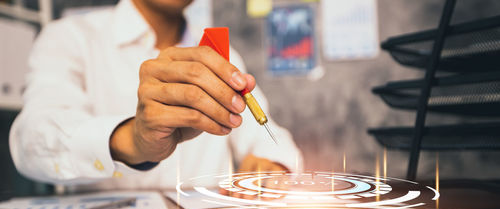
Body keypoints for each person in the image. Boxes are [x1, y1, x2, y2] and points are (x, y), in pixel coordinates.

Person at [9, 0, 302, 191]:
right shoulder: (71, 37)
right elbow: (32, 140)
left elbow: (269, 137)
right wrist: (132, 140)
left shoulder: (220, 53)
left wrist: (272, 166)